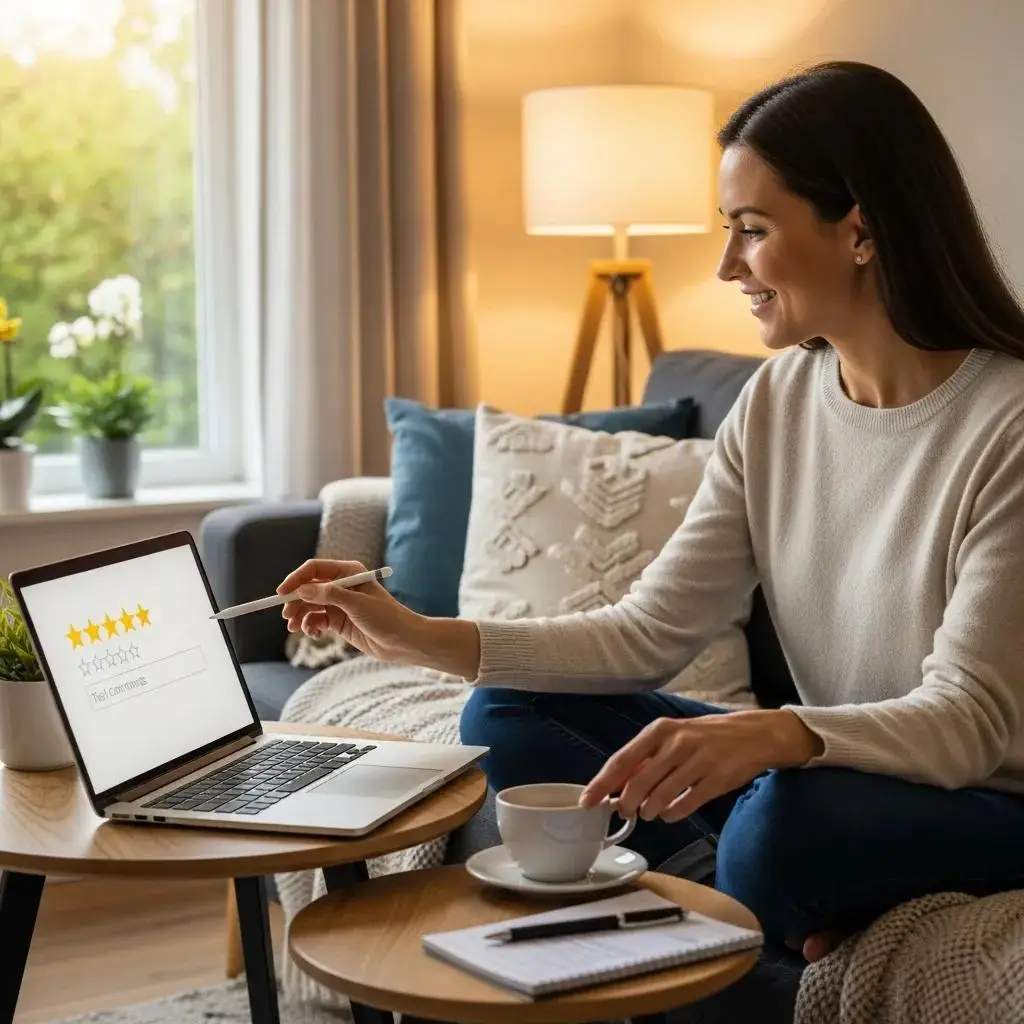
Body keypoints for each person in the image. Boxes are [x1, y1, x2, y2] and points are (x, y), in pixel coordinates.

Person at [276, 61, 1024, 964]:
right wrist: (420, 636)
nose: (725, 265)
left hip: (982, 801)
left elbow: (968, 719)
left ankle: (713, 895)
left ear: (859, 231)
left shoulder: (1006, 423)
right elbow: (649, 631)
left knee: (785, 818)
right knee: (509, 709)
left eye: (752, 230)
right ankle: (741, 896)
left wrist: (776, 735)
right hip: (823, 776)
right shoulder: (778, 401)